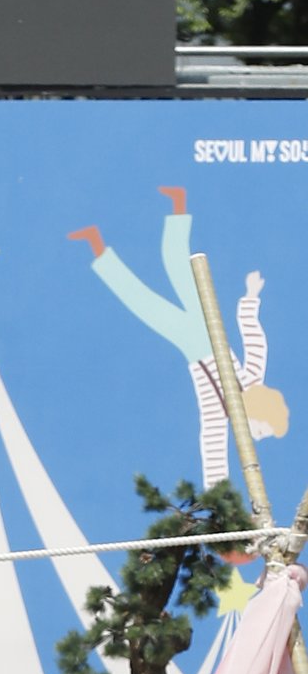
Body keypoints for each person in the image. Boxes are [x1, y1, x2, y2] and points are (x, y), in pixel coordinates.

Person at [69, 185, 289, 487]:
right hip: (206, 334)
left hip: (191, 348)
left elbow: (212, 447)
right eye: (261, 429)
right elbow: (254, 337)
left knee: (145, 296)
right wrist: (251, 296)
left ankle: (99, 244)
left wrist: (217, 499)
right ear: (263, 412)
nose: (256, 435)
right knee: (170, 273)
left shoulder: (221, 413)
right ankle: (177, 205)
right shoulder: (251, 378)